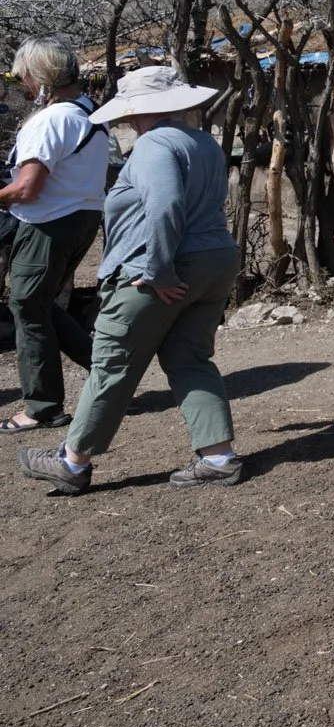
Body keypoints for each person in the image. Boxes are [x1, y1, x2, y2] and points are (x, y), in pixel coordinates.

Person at [17, 65, 245, 493]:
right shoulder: (203, 143)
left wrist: (156, 269)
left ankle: (72, 461)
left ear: (136, 109)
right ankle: (218, 457)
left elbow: (165, 204)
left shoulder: (154, 145)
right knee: (189, 358)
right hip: (215, 262)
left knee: (113, 363)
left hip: (161, 269)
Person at [0, 36, 109, 435]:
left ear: (39, 74)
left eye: (23, 75)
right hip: (80, 220)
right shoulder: (90, 115)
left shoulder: (50, 120)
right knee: (41, 302)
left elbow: (27, 188)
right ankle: (109, 373)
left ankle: (42, 407)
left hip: (48, 223)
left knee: (27, 304)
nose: (22, 84)